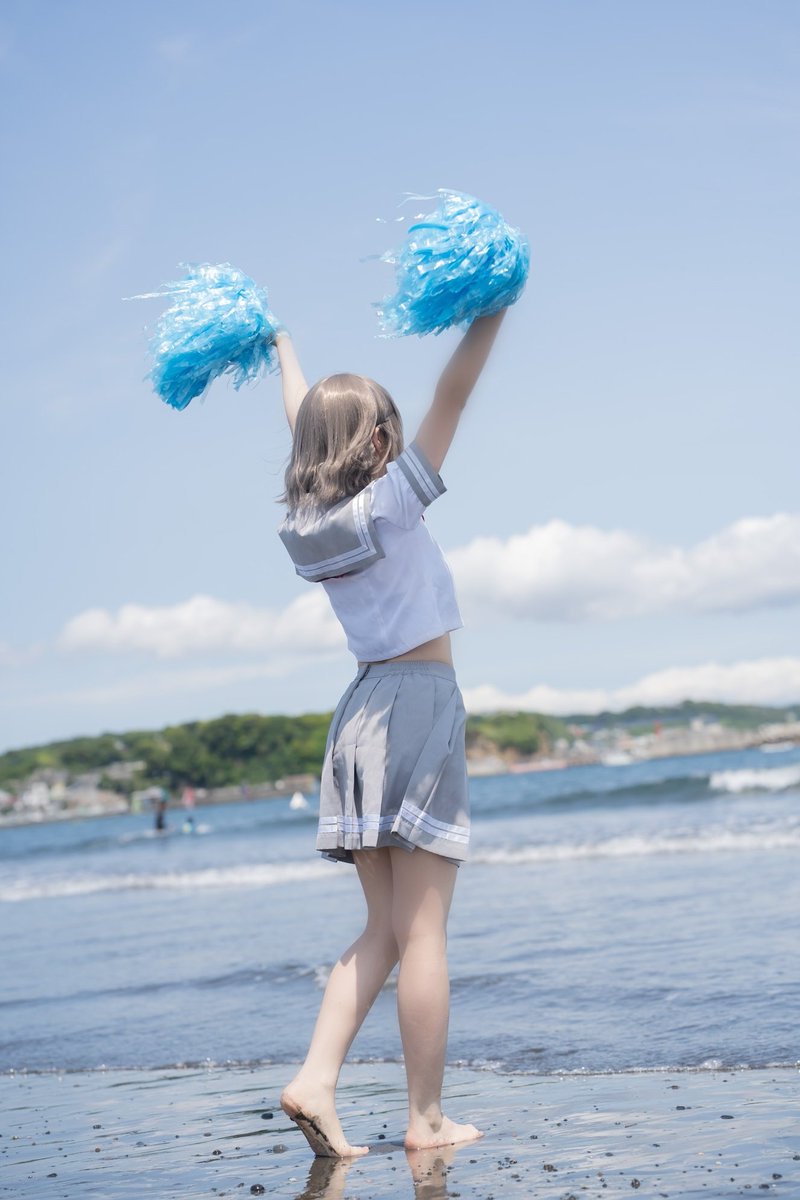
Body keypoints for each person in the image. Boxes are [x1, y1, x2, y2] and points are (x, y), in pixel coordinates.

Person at [273, 308, 507, 1158]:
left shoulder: (310, 529)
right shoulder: (393, 505)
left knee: (383, 930)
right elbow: (456, 393)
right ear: (378, 442)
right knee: (424, 933)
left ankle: (316, 1077)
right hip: (418, 704)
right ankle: (426, 1119)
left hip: (360, 713)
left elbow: (304, 417)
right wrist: (493, 310)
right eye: (391, 430)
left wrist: (280, 346)